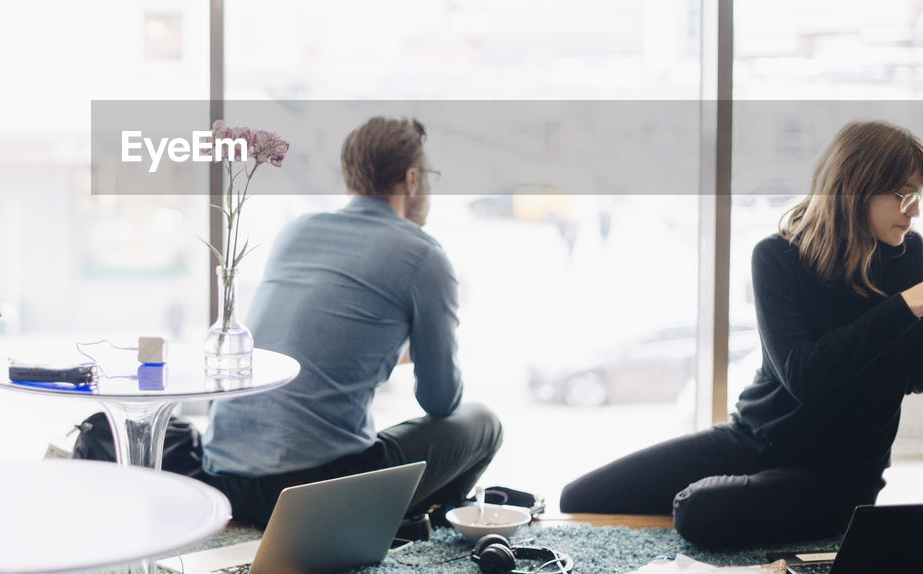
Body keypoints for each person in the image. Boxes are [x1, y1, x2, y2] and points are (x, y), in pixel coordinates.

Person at [560, 119, 923, 548]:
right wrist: (905, 306)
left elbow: (914, 377)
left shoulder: (912, 257)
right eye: (904, 195)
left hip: (839, 478)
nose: (914, 210)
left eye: (917, 196)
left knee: (699, 511)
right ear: (856, 186)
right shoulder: (778, 257)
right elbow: (805, 376)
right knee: (581, 496)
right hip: (755, 439)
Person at [200, 116, 501, 527]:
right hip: (315, 492)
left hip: (224, 479)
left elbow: (309, 343)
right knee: (483, 424)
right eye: (429, 175)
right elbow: (439, 400)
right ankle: (406, 524)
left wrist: (379, 352)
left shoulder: (296, 231)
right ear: (412, 179)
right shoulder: (423, 255)